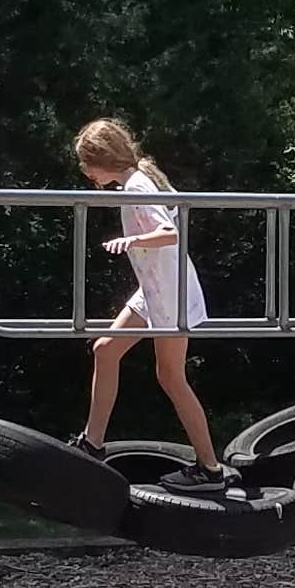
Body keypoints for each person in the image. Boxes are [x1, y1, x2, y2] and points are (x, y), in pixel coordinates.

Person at [73, 118, 220, 469]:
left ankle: (210, 468)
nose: (85, 172)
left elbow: (169, 233)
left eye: (86, 163)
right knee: (106, 350)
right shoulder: (137, 180)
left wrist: (132, 240)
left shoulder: (138, 186)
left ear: (102, 158)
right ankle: (92, 443)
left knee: (170, 377)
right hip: (155, 288)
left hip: (169, 293)